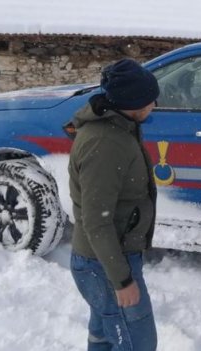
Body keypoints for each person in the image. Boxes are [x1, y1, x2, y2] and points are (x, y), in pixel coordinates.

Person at [68, 58, 159, 351]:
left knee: (105, 331)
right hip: (105, 263)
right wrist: (122, 280)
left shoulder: (120, 126)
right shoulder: (105, 144)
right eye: (150, 101)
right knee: (139, 343)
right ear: (132, 104)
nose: (154, 106)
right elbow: (97, 220)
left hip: (107, 256)